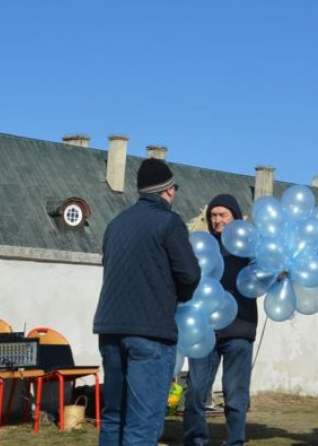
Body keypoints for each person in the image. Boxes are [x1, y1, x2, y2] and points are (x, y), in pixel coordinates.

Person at [94, 157, 201, 446]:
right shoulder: (168, 222)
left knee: (114, 415)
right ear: (167, 190)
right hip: (150, 332)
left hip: (110, 329)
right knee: (144, 421)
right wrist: (180, 297)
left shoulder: (115, 224)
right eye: (175, 187)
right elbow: (189, 275)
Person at [183, 194, 258, 446]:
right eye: (213, 215)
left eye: (222, 215)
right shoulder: (199, 246)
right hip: (204, 331)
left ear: (234, 217)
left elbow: (264, 277)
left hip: (240, 330)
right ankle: (195, 440)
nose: (217, 220)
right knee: (195, 390)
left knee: (236, 394)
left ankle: (234, 441)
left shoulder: (249, 248)